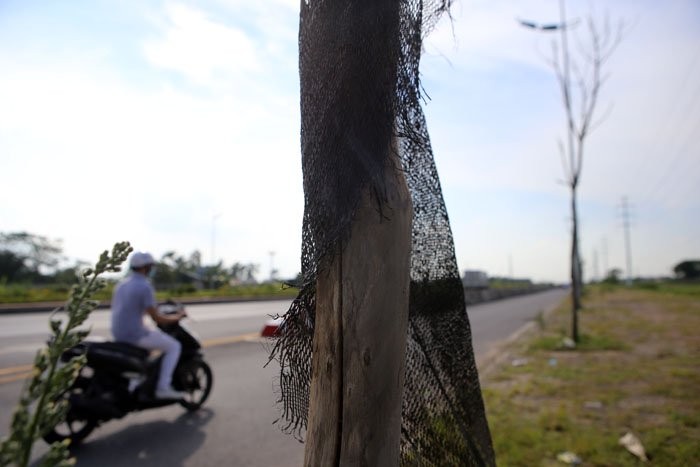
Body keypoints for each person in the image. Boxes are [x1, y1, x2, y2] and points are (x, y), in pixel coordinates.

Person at [111, 251, 187, 399]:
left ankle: (138, 378)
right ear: (145, 268)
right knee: (174, 346)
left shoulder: (121, 284)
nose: (151, 270)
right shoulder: (144, 286)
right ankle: (163, 387)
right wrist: (178, 316)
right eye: (150, 267)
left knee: (152, 342)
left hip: (118, 332)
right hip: (134, 334)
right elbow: (157, 318)